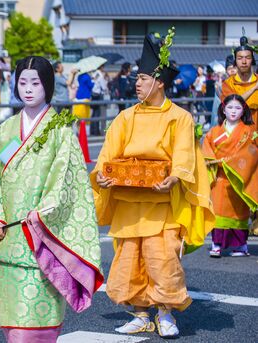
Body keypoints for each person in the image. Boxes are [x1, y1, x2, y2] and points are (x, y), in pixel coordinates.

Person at [0, 56, 103, 343]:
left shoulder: (60, 131)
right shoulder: (4, 131)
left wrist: (43, 213)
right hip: (8, 238)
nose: (28, 89)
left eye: (36, 83)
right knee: (10, 319)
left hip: (42, 237)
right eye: (22, 83)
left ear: (48, 86)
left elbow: (66, 179)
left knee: (35, 323)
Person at [90, 31, 215, 338]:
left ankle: (166, 312)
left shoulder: (179, 117)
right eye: (137, 78)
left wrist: (175, 176)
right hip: (129, 202)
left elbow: (184, 154)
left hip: (162, 203)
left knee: (163, 260)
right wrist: (103, 176)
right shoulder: (125, 117)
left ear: (159, 82)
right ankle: (141, 313)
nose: (137, 83)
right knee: (129, 260)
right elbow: (108, 155)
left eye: (144, 78)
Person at [202, 94, 257, 257]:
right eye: (230, 107)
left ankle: (240, 245)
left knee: (239, 212)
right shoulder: (214, 131)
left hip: (239, 178)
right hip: (219, 177)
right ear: (223, 109)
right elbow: (206, 150)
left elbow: (251, 152)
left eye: (238, 108)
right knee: (218, 210)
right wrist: (216, 161)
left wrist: (232, 161)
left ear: (243, 111)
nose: (233, 111)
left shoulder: (248, 131)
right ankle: (216, 244)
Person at [222, 34, 258, 131]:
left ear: (252, 60)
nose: (244, 62)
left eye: (247, 58)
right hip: (237, 135)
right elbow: (233, 104)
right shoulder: (228, 83)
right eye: (240, 58)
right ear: (235, 62)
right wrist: (254, 88)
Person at [90, 65, 108, 135]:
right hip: (98, 95)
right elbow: (103, 87)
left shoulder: (94, 74)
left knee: (93, 113)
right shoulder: (100, 75)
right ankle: (96, 131)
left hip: (93, 94)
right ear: (101, 67)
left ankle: (92, 130)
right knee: (97, 114)